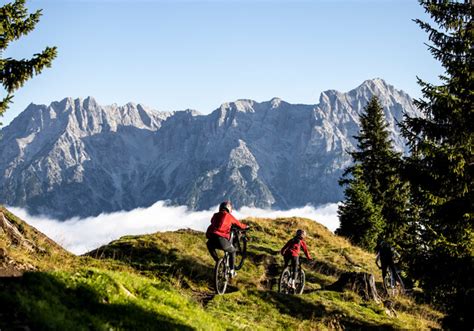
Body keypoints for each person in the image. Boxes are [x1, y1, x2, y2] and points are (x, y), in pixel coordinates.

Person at [206, 201, 248, 277]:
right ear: (229, 208)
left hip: (211, 239)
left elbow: (212, 221)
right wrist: (246, 227)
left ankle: (218, 261)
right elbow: (240, 225)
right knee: (233, 251)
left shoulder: (215, 215)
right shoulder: (229, 216)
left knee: (210, 246)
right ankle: (232, 271)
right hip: (221, 240)